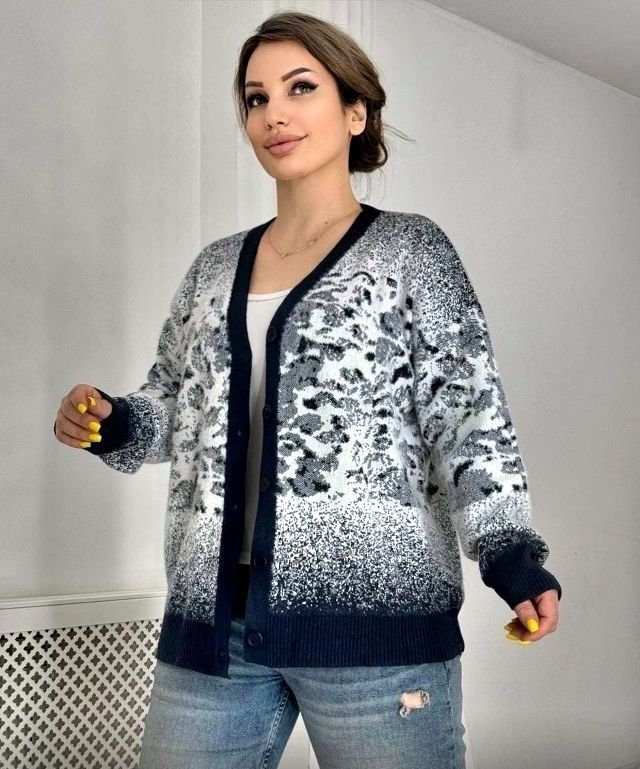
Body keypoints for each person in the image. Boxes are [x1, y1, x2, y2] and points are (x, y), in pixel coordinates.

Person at [53, 10, 562, 769]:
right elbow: (175, 405)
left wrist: (511, 556)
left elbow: (470, 420)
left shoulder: (410, 251)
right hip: (213, 628)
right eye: (256, 98)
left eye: (300, 88)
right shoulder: (213, 268)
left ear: (355, 111)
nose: (274, 114)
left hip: (376, 630)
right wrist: (113, 421)